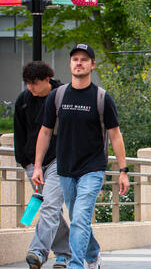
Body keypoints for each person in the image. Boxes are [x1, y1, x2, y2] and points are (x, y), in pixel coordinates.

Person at [34, 44, 130, 269]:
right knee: (79, 220)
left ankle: (76, 265)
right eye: (75, 59)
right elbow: (45, 131)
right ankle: (93, 253)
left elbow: (115, 135)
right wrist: (38, 165)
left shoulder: (102, 98)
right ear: (70, 64)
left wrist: (123, 171)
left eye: (84, 60)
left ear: (92, 65)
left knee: (79, 219)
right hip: (65, 168)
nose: (79, 62)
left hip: (93, 168)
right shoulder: (57, 96)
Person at [14, 61, 71, 269]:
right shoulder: (24, 100)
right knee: (52, 209)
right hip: (33, 165)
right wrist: (26, 163)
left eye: (34, 83)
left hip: (58, 160)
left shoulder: (64, 96)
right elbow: (19, 134)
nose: (30, 88)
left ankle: (38, 251)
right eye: (27, 83)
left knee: (49, 206)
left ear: (47, 79)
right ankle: (65, 254)